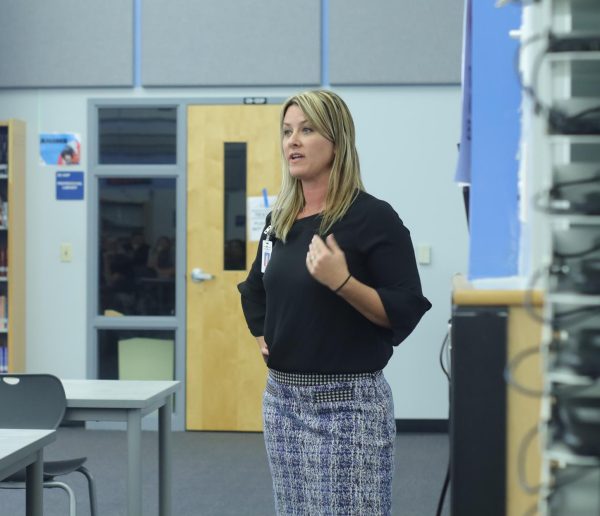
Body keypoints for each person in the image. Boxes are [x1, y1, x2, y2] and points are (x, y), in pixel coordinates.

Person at [237, 90, 432, 515]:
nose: (293, 141)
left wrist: (341, 281)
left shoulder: (373, 217)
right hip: (283, 403)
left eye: (307, 130)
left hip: (350, 407)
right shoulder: (280, 220)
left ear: (338, 141)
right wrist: (260, 333)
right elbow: (255, 289)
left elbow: (404, 307)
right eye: (287, 131)